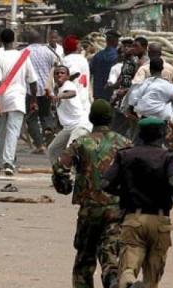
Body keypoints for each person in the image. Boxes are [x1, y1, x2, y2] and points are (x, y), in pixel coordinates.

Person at [102, 117, 173, 288]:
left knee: (127, 268)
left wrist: (125, 193)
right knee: (152, 278)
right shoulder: (168, 157)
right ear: (162, 134)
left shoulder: (125, 155)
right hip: (160, 221)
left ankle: (129, 283)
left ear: (140, 134)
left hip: (133, 219)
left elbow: (105, 184)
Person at [53, 99, 132, 288]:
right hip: (116, 208)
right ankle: (112, 279)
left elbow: (60, 167)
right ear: (110, 118)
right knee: (111, 253)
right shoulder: (125, 144)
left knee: (84, 258)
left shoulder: (80, 143)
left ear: (90, 118)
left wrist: (64, 187)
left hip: (89, 209)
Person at [0, 28, 38, 175]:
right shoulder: (23, 57)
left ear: (1, 40)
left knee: (0, 131)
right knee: (13, 131)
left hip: (3, 98)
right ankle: (8, 162)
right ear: (14, 40)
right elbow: (33, 82)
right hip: (17, 99)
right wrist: (34, 100)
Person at [47, 65, 92, 164]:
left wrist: (60, 96)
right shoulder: (57, 88)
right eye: (56, 73)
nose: (59, 75)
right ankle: (59, 174)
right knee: (52, 150)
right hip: (68, 128)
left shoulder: (68, 85)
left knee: (70, 152)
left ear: (67, 76)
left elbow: (71, 93)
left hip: (81, 125)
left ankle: (73, 175)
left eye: (62, 73)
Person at [27, 29, 56, 152]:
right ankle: (48, 133)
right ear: (40, 40)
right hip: (46, 89)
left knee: (31, 117)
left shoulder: (24, 52)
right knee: (46, 115)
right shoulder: (49, 52)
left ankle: (39, 145)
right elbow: (55, 67)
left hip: (30, 90)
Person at [63, 35, 91, 114]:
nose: (80, 47)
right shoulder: (83, 59)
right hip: (84, 100)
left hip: (72, 102)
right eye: (78, 45)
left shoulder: (67, 60)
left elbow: (73, 72)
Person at [90, 30, 120, 101]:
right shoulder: (118, 57)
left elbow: (91, 71)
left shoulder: (97, 56)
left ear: (106, 40)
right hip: (112, 94)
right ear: (116, 41)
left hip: (98, 93)